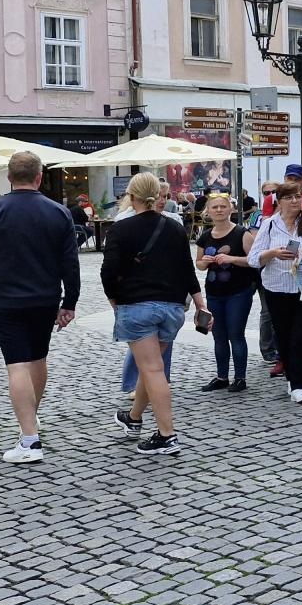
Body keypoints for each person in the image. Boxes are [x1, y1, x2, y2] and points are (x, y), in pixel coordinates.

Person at [0, 152, 79, 463]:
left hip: (8, 299)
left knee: (17, 364)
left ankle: (29, 440)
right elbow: (70, 262)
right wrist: (70, 301)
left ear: (9, 178)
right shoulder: (59, 212)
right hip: (46, 298)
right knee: (38, 358)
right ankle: (30, 418)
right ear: (39, 178)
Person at [105, 173, 206, 456]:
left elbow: (108, 271)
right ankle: (134, 418)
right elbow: (188, 269)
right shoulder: (174, 228)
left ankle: (167, 435)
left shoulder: (121, 229)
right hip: (172, 308)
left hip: (138, 307)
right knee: (152, 368)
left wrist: (114, 300)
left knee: (152, 370)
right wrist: (200, 303)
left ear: (132, 197)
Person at [248, 182, 302, 405]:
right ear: (279, 201)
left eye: (298, 196)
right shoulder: (270, 225)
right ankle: (291, 377)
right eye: (289, 197)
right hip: (276, 287)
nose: (294, 201)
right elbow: (253, 259)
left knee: (301, 336)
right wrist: (272, 253)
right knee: (283, 336)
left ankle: (299, 385)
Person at [195, 192, 258, 394]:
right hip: (214, 292)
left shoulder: (242, 233)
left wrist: (231, 260)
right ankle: (222, 376)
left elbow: (253, 260)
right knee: (218, 336)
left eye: (223, 206)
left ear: (231, 209)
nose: (219, 210)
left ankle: (240, 378)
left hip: (238, 291)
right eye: (215, 207)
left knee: (236, 334)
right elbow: (199, 265)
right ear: (208, 211)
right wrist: (205, 262)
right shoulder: (205, 237)